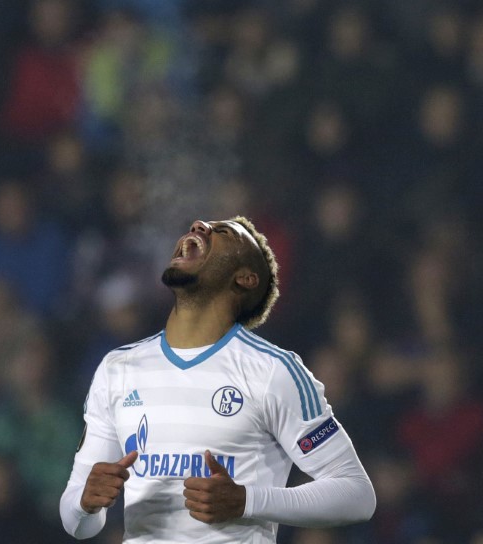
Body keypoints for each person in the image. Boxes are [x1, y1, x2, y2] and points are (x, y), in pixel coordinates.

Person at [59, 217, 376, 542]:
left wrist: (247, 501)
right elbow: (77, 523)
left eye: (222, 233)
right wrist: (86, 503)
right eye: (198, 227)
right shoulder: (118, 368)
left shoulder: (272, 371)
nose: (199, 226)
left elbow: (356, 494)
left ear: (245, 278)